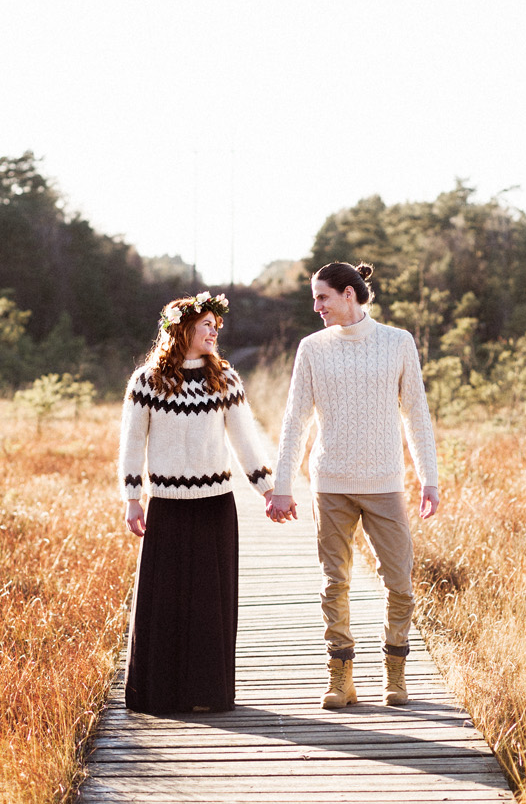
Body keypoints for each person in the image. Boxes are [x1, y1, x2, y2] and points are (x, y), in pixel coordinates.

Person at [265, 262, 440, 709]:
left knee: (399, 581)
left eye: (322, 297)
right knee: (334, 581)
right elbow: (295, 421)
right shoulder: (312, 348)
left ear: (349, 294)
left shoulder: (398, 342)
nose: (316, 306)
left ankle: (395, 673)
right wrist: (281, 484)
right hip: (331, 482)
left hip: (384, 482)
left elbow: (416, 414)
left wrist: (429, 479)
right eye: (314, 298)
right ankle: (341, 678)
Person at [118, 291, 275, 713]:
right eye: (207, 324)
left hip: (215, 503)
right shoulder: (147, 381)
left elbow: (246, 438)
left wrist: (268, 489)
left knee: (210, 601)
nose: (214, 331)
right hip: (166, 504)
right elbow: (133, 442)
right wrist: (133, 499)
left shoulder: (224, 378)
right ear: (182, 328)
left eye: (215, 325)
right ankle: (161, 692)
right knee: (164, 599)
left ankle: (207, 692)